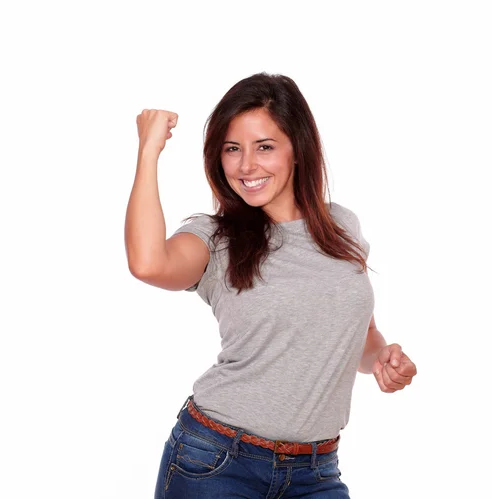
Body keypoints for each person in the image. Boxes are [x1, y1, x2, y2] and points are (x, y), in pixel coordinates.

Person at [125, 72, 418, 498]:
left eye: (264, 146)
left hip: (316, 473)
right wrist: (148, 151)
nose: (246, 166)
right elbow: (148, 263)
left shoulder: (342, 227)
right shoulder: (214, 238)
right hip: (216, 462)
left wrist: (381, 360)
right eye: (232, 149)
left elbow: (362, 336)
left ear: (297, 149)